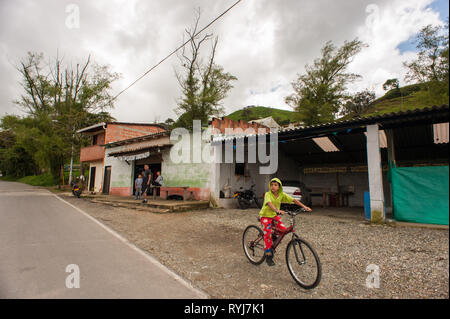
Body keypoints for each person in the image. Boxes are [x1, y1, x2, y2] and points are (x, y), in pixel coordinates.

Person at [259, 177, 312, 266]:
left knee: (283, 229)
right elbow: (269, 203)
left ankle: (274, 236)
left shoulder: (282, 195)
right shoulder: (268, 194)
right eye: (271, 185)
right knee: (267, 234)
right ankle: (268, 254)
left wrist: (304, 206)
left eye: (275, 185)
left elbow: (293, 200)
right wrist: (276, 210)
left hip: (274, 216)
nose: (273, 187)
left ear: (279, 187)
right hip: (265, 216)